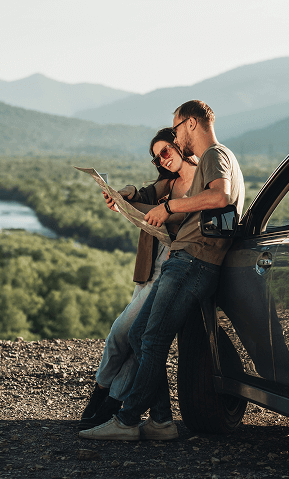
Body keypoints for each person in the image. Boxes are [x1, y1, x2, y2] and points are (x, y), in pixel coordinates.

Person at [80, 100, 244, 441]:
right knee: (142, 336)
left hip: (192, 260)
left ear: (192, 124)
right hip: (187, 261)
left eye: (178, 127)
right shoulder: (211, 162)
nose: (177, 134)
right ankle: (161, 421)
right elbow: (148, 192)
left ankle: (126, 421)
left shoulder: (214, 154)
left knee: (148, 337)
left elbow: (221, 196)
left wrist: (169, 208)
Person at [78, 128, 197, 430]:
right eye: (157, 157)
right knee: (132, 339)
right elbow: (143, 196)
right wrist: (123, 195)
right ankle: (106, 400)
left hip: (173, 268)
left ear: (180, 145)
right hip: (150, 268)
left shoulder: (202, 180)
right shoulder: (168, 180)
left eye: (166, 151)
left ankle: (107, 397)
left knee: (125, 333)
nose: (163, 159)